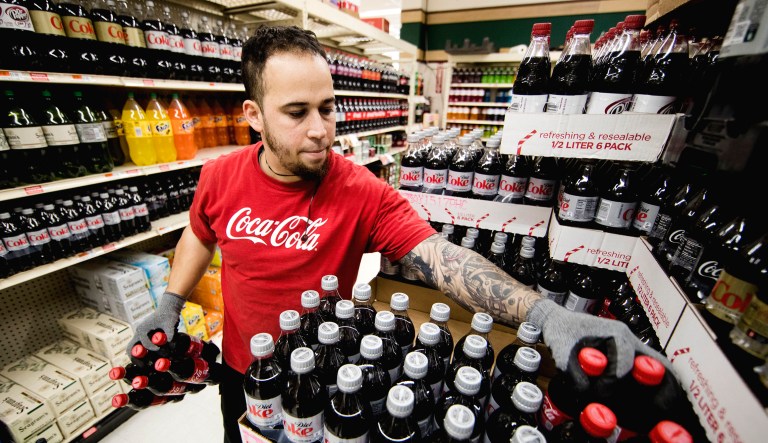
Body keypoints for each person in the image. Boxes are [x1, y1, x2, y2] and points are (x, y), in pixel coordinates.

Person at [130, 26, 669, 443]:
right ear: (254, 115)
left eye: (327, 107)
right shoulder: (219, 176)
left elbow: (441, 258)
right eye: (296, 113)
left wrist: (549, 316)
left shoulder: (361, 190)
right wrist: (171, 303)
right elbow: (200, 235)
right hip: (243, 367)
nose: (320, 129)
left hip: (329, 378)